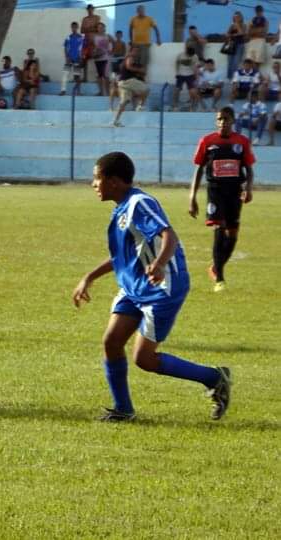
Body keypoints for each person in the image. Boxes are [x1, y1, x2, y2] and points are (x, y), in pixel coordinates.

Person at [73, 151, 232, 422]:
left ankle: (214, 378)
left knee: (144, 359)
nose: (93, 184)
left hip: (162, 289)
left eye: (96, 178)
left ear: (113, 181)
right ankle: (123, 409)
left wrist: (158, 264)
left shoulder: (139, 203)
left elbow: (168, 234)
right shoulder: (123, 207)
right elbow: (123, 255)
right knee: (111, 342)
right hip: (135, 286)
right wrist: (89, 276)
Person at [189, 107, 255, 291]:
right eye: (219, 119)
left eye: (226, 119)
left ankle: (215, 267)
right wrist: (192, 197)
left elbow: (248, 169)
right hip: (215, 192)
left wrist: (248, 189)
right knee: (219, 227)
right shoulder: (207, 141)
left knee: (232, 233)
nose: (222, 122)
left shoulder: (241, 142)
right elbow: (199, 169)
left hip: (234, 192)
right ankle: (220, 278)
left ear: (233, 120)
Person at [112, 46, 148, 127]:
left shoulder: (129, 59)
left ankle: (116, 120)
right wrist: (139, 70)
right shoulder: (130, 57)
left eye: (138, 51)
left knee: (124, 102)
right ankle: (140, 106)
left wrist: (139, 72)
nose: (137, 53)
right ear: (130, 51)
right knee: (146, 89)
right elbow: (129, 66)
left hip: (122, 83)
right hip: (128, 81)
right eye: (135, 51)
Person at [128, 4, 161, 72]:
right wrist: (131, 40)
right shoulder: (133, 19)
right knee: (135, 62)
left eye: (142, 10)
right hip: (135, 44)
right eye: (139, 10)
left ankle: (142, 80)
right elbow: (130, 30)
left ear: (144, 11)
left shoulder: (149, 19)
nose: (140, 12)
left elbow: (156, 28)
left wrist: (158, 39)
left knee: (144, 63)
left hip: (145, 44)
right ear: (137, 11)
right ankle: (136, 79)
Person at [172, 45, 201, 111]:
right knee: (177, 90)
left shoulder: (195, 56)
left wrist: (197, 77)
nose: (190, 56)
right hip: (181, 75)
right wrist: (177, 72)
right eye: (189, 55)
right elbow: (177, 64)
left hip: (190, 75)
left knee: (192, 91)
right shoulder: (180, 55)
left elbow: (197, 67)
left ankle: (193, 105)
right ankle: (175, 105)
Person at [60, 21, 84, 96]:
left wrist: (81, 58)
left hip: (77, 58)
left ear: (77, 27)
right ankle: (63, 90)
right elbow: (65, 48)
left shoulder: (81, 37)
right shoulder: (68, 37)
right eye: (72, 27)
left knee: (77, 76)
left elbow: (82, 49)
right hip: (69, 58)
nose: (74, 28)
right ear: (71, 28)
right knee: (65, 74)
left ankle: (78, 92)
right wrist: (67, 57)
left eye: (75, 27)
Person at [80, 4, 101, 82]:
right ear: (87, 10)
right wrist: (92, 28)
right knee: (84, 59)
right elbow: (81, 30)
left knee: (97, 58)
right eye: (88, 9)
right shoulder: (84, 19)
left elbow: (97, 28)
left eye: (91, 9)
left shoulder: (97, 17)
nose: (90, 10)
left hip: (95, 41)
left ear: (93, 9)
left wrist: (88, 29)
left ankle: (98, 78)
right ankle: (85, 78)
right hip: (86, 41)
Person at [92, 23, 113, 96]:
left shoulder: (108, 36)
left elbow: (114, 43)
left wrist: (111, 51)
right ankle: (101, 92)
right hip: (97, 58)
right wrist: (95, 52)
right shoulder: (94, 37)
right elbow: (94, 47)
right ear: (97, 28)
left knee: (106, 76)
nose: (100, 28)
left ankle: (108, 93)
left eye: (102, 27)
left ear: (104, 28)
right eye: (99, 27)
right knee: (99, 76)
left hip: (106, 58)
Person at [225, 12, 247, 80]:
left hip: (239, 45)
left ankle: (234, 79)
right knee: (229, 63)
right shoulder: (231, 25)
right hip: (231, 44)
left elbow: (242, 33)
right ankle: (229, 78)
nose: (236, 18)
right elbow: (226, 34)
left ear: (241, 17)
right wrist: (230, 35)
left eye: (237, 17)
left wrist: (237, 24)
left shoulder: (243, 25)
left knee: (236, 63)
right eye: (235, 17)